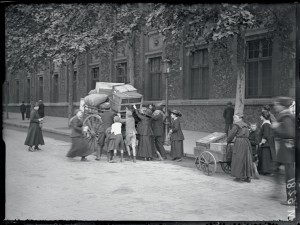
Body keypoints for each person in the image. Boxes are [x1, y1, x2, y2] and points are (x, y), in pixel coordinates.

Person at [271, 96, 295, 206]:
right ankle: (277, 191)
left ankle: (291, 199)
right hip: (284, 148)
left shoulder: (286, 117)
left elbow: (290, 133)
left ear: (282, 106)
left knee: (289, 174)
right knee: (276, 168)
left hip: (287, 149)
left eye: (277, 105)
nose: (275, 107)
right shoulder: (284, 115)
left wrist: (277, 127)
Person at [227, 113, 253, 183]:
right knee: (247, 159)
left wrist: (228, 140)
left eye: (235, 118)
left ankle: (238, 176)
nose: (234, 120)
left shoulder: (236, 125)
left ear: (240, 118)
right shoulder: (246, 125)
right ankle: (248, 177)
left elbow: (231, 134)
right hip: (246, 142)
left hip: (239, 142)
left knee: (238, 158)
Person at [257, 111, 276, 175]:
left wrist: (262, 142)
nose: (260, 117)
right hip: (268, 143)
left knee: (266, 158)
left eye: (261, 116)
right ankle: (266, 170)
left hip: (266, 144)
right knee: (267, 157)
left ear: (263, 116)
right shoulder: (267, 123)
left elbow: (266, 134)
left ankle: (267, 171)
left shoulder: (266, 124)